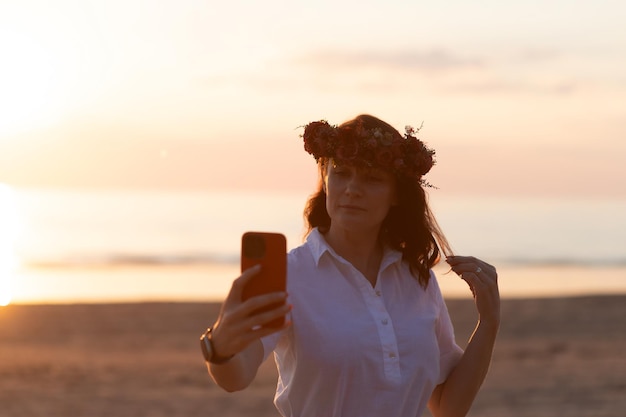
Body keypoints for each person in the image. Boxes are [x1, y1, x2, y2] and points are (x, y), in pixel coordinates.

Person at [200, 114, 500, 417]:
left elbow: (449, 406)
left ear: (396, 194)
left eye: (372, 179)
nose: (352, 189)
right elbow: (237, 376)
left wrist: (488, 323)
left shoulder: (416, 279)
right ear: (325, 180)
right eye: (341, 173)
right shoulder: (291, 275)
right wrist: (219, 347)